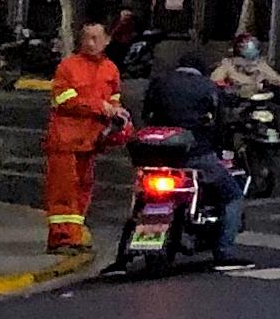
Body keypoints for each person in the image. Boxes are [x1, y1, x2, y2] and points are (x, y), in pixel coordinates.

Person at [142, 49, 251, 266]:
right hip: (195, 156)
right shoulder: (207, 87)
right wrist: (218, 147)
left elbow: (147, 115)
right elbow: (219, 124)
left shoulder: (160, 83)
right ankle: (224, 250)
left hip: (156, 156)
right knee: (233, 196)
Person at [42, 21, 126, 255]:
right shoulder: (68, 67)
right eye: (87, 38)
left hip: (90, 140)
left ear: (107, 40)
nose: (90, 43)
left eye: (95, 38)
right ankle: (60, 239)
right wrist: (101, 107)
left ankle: (74, 235)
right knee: (63, 191)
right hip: (66, 140)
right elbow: (65, 99)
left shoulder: (110, 69)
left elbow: (114, 97)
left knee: (82, 189)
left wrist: (116, 113)